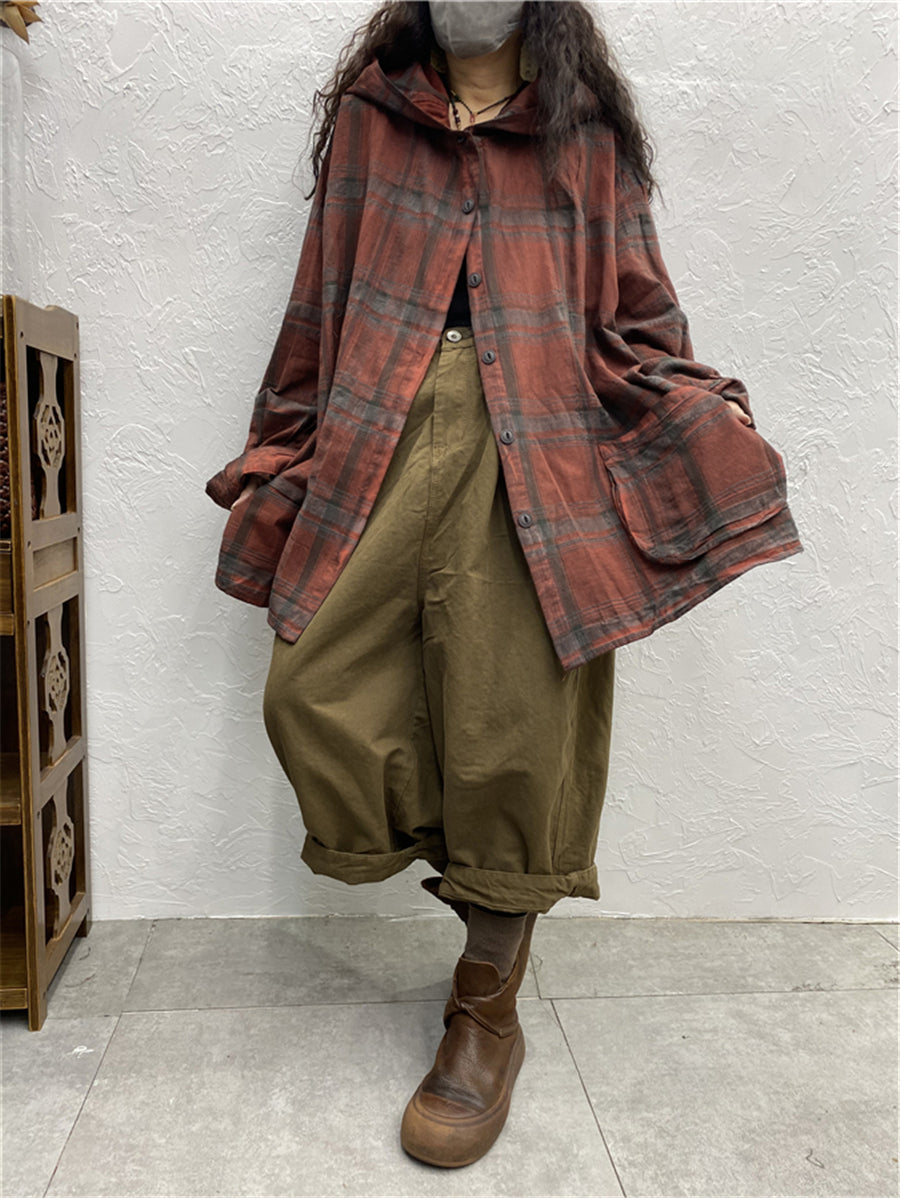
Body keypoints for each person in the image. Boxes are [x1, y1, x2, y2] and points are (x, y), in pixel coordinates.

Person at [205, 0, 802, 1169]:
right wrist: (282, 448)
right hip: (379, 428)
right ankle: (477, 870)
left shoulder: (585, 128)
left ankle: (486, 1002)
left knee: (517, 723)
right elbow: (319, 303)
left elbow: (639, 309)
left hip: (541, 441)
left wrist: (690, 408)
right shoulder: (375, 117)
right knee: (312, 687)